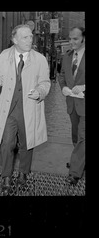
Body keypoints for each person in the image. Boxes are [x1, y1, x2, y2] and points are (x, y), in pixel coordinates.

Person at [0, 24, 50, 195]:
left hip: (29, 107)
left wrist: (40, 92)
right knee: (7, 143)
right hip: (8, 109)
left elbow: (45, 82)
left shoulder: (40, 59)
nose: (30, 40)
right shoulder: (3, 56)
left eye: (31, 36)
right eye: (25, 37)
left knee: (27, 143)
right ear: (14, 39)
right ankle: (6, 176)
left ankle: (23, 173)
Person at [58, 26, 85, 185]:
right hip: (72, 104)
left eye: (75, 38)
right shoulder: (67, 56)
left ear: (83, 38)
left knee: (83, 136)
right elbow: (61, 76)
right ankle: (80, 159)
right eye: (70, 38)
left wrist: (83, 87)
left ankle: (75, 171)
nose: (71, 41)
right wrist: (63, 88)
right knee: (76, 135)